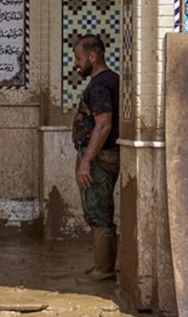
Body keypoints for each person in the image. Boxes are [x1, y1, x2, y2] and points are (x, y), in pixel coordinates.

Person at [70, 34, 120, 281]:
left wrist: (86, 161)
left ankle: (104, 269)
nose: (77, 64)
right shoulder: (112, 81)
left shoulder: (100, 85)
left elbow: (103, 125)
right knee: (101, 210)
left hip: (99, 159)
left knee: (97, 211)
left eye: (79, 58)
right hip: (103, 156)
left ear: (93, 56)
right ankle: (104, 266)